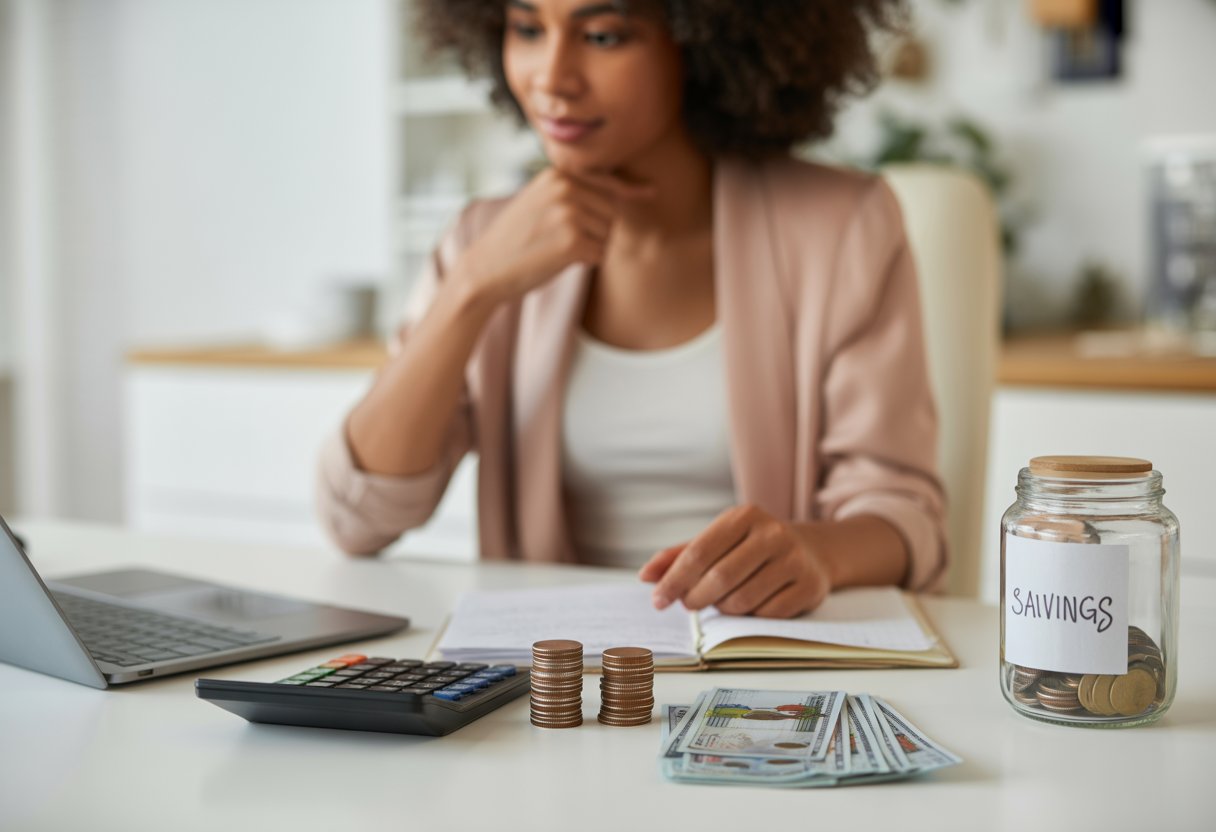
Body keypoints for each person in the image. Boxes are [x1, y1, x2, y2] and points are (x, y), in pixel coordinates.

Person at [317, 0, 947, 619]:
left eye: (603, 36)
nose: (551, 78)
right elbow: (358, 518)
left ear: (699, 43)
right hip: (558, 685)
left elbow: (902, 516)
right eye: (528, 28)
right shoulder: (484, 239)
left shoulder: (840, 228)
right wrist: (471, 288)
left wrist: (817, 553)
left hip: (764, 674)